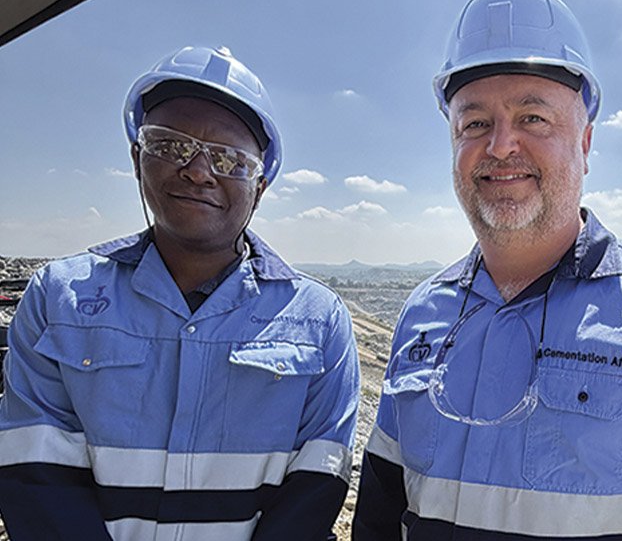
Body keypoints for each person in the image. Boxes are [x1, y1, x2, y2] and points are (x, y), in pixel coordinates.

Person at [352, 0, 622, 541]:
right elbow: (380, 515)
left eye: (533, 118)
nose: (501, 145)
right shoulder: (424, 312)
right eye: (475, 123)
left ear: (585, 143)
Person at [0, 46, 360, 540]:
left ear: (260, 186)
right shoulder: (58, 300)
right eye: (171, 146)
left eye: (228, 159)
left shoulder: (318, 321)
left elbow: (313, 492)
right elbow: (34, 474)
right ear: (136, 158)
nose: (198, 169)